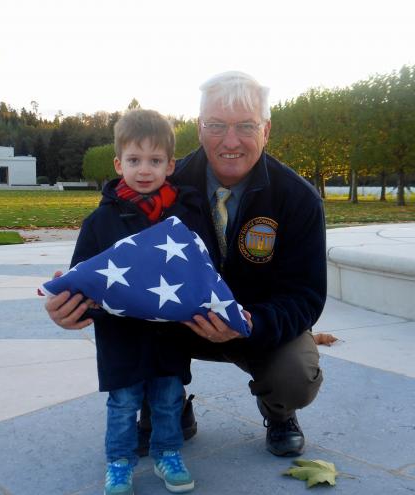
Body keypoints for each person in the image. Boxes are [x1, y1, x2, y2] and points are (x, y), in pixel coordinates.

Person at [46, 72, 326, 459]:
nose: (230, 141)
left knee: (294, 376)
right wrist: (72, 300)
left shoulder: (299, 198)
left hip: (252, 323)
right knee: (133, 338)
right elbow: (113, 252)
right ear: (199, 128)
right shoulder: (160, 178)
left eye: (245, 126)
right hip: (174, 325)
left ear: (267, 130)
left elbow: (307, 297)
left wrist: (252, 324)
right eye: (216, 125)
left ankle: (279, 412)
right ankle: (171, 405)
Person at [62, 109, 212, 495]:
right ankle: (119, 462)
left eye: (154, 160)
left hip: (169, 335)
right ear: (118, 163)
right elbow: (84, 273)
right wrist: (66, 292)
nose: (144, 169)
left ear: (170, 165)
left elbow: (201, 267)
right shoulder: (100, 221)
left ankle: (167, 453)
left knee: (166, 399)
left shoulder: (184, 215)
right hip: (121, 336)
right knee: (123, 403)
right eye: (134, 160)